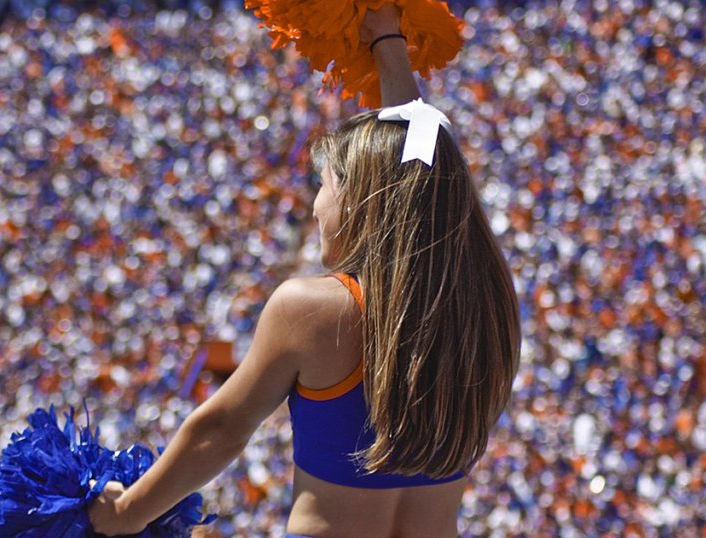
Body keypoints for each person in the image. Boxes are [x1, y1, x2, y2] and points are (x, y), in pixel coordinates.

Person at [88, 5, 521, 537]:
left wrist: (124, 514)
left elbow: (221, 429)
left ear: (363, 202)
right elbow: (420, 174)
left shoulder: (314, 310)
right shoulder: (486, 310)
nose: (315, 204)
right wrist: (387, 39)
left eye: (325, 183)